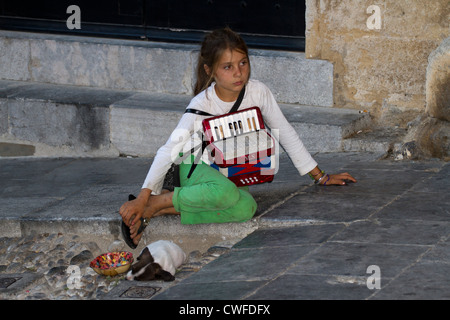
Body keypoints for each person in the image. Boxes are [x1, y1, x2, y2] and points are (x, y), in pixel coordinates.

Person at [119, 27, 356, 248]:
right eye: (227, 67)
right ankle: (157, 201)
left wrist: (320, 177)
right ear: (209, 71)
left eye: (243, 63)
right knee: (225, 193)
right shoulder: (201, 104)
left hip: (231, 171)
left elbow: (286, 132)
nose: (238, 73)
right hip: (193, 166)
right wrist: (143, 196)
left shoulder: (258, 92)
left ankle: (157, 209)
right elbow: (168, 150)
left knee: (246, 207)